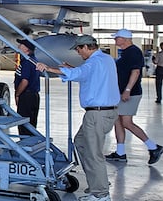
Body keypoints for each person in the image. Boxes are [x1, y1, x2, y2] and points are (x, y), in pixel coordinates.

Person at [35, 35, 118, 201]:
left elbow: (80, 72)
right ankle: (97, 184)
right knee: (80, 142)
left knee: (93, 154)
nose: (79, 53)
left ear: (86, 47)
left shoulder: (93, 63)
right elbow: (86, 74)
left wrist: (49, 69)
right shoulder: (107, 59)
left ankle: (101, 194)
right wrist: (71, 68)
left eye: (79, 49)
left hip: (96, 114)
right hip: (107, 112)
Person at [105, 28, 163, 165]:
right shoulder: (125, 53)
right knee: (118, 120)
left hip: (130, 93)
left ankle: (154, 147)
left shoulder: (133, 52)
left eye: (117, 38)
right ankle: (120, 153)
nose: (115, 40)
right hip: (121, 92)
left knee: (126, 122)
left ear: (124, 39)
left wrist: (127, 90)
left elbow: (136, 72)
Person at [14, 38, 40, 135]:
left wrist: (17, 94)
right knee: (31, 124)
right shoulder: (33, 60)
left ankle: (24, 147)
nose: (18, 46)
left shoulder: (27, 62)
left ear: (26, 49)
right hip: (33, 96)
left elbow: (24, 81)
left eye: (21, 45)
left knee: (24, 125)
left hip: (26, 96)